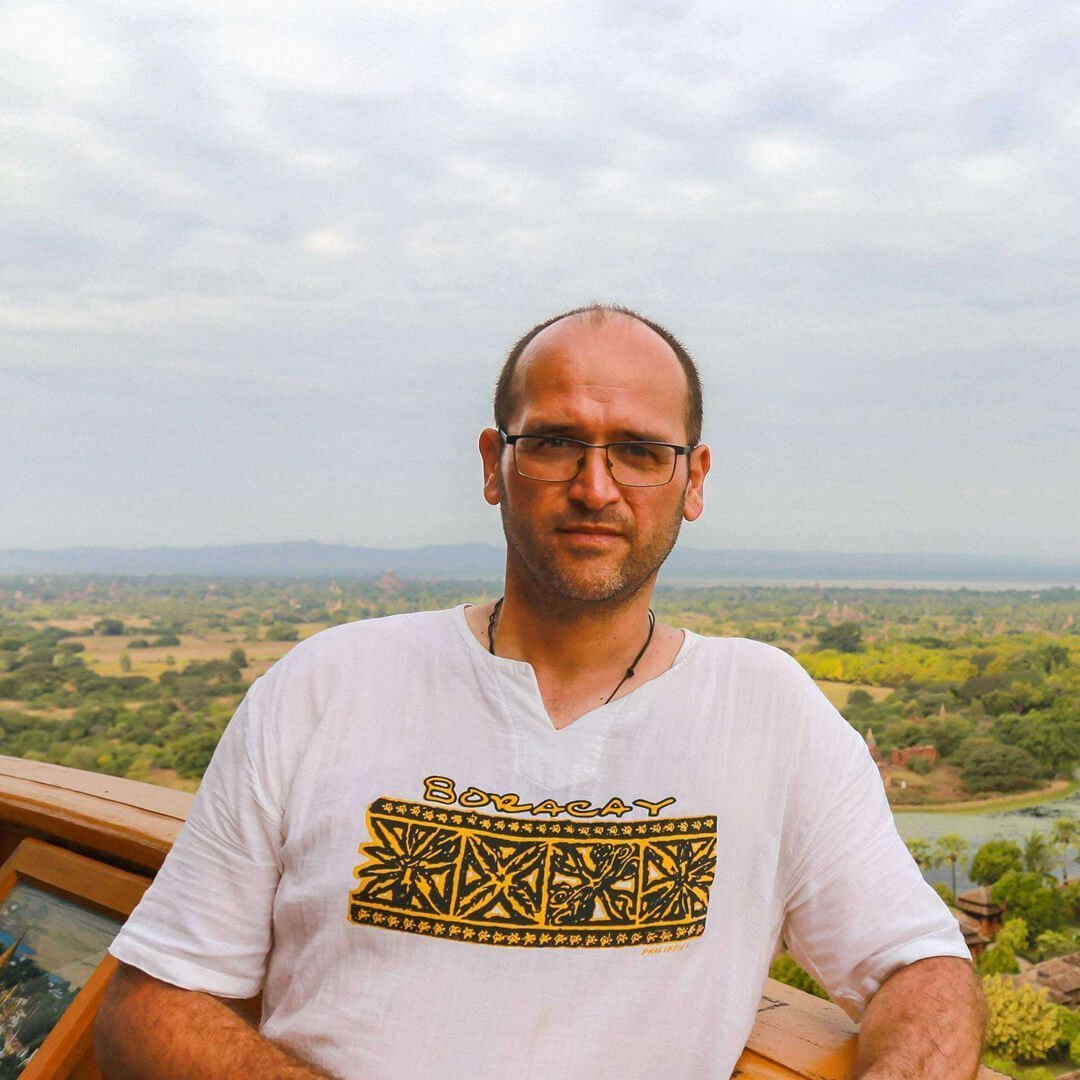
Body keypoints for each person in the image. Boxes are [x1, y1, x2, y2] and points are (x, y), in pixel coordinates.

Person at [96, 305, 986, 1079]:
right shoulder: (327, 685)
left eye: (640, 452)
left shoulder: (768, 711)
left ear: (694, 480)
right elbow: (150, 1006)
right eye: (555, 442)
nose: (595, 489)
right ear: (494, 464)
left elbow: (921, 968)